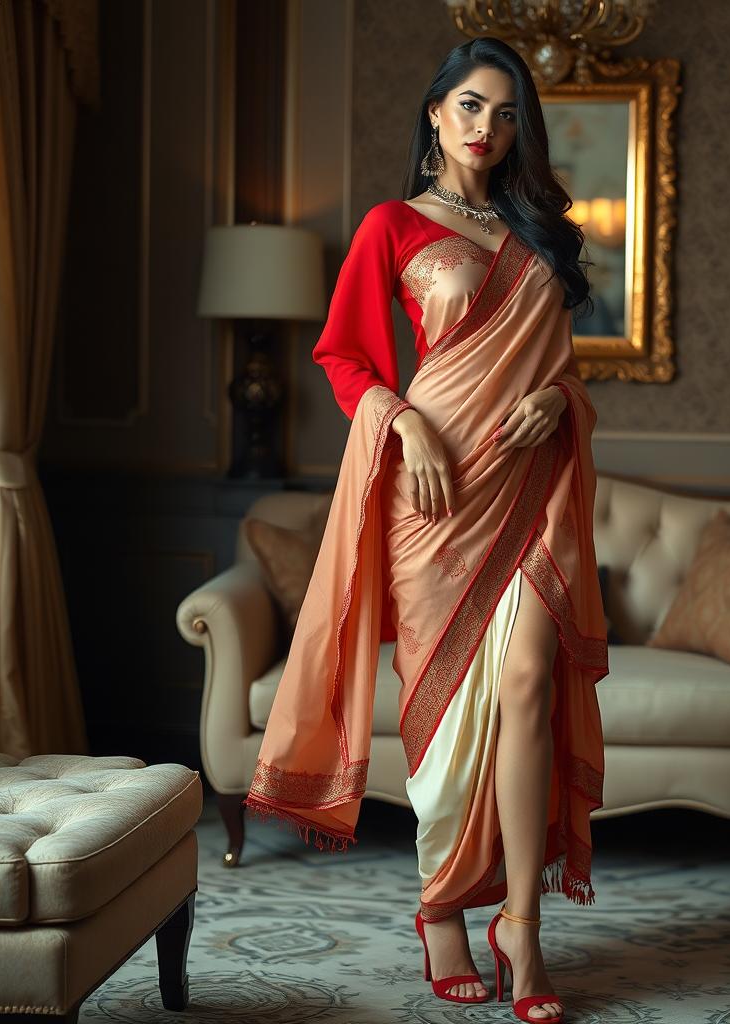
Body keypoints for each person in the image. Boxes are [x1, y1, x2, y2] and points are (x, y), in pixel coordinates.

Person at [243, 36, 609, 1024]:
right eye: (471, 107)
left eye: (505, 113)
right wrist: (402, 419)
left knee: (530, 682)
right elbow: (345, 354)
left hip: (527, 486)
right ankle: (443, 900)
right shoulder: (392, 226)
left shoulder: (539, 230)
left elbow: (562, 366)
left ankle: (522, 924)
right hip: (435, 497)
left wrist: (561, 403)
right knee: (444, 716)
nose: (487, 128)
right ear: (437, 113)